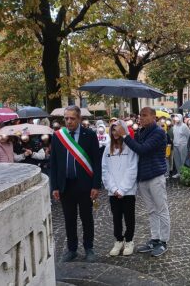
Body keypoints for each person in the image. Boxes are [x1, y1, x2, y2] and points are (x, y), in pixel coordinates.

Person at [115, 107, 170, 257]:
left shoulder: (159, 132)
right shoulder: (141, 131)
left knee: (161, 209)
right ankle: (155, 239)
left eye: (145, 115)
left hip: (155, 175)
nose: (141, 118)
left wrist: (125, 135)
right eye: (140, 115)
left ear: (153, 117)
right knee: (151, 210)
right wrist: (124, 128)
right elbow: (133, 146)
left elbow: (142, 149)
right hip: (143, 176)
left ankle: (164, 241)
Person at [50, 106, 102, 263]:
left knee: (87, 218)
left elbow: (96, 162)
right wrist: (55, 187)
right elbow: (54, 163)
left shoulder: (90, 135)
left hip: (85, 185)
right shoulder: (58, 136)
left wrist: (96, 185)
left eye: (72, 118)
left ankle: (89, 248)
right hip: (66, 186)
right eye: (66, 118)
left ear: (79, 119)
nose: (69, 121)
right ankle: (72, 249)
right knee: (69, 219)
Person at [102, 120, 138, 257]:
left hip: (128, 191)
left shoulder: (129, 148)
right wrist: (114, 188)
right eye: (113, 130)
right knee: (116, 218)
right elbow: (105, 170)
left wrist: (123, 189)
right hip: (113, 192)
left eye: (118, 129)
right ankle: (118, 240)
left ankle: (129, 240)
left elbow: (132, 169)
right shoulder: (107, 148)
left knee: (129, 217)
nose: (115, 132)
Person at [172, 114, 190, 179]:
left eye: (177, 117)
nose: (176, 119)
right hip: (175, 145)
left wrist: (188, 145)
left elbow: (188, 136)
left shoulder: (184, 126)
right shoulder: (174, 126)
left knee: (183, 160)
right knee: (177, 160)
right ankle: (179, 173)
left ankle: (184, 173)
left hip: (183, 145)